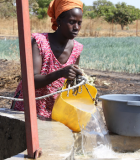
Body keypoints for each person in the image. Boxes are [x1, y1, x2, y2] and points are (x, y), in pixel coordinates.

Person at [11, 0, 84, 119]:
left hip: (54, 110)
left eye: (79, 23)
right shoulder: (40, 42)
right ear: (59, 21)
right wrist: (61, 72)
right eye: (71, 22)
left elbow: (69, 84)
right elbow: (31, 81)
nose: (76, 27)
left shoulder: (77, 49)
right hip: (28, 108)